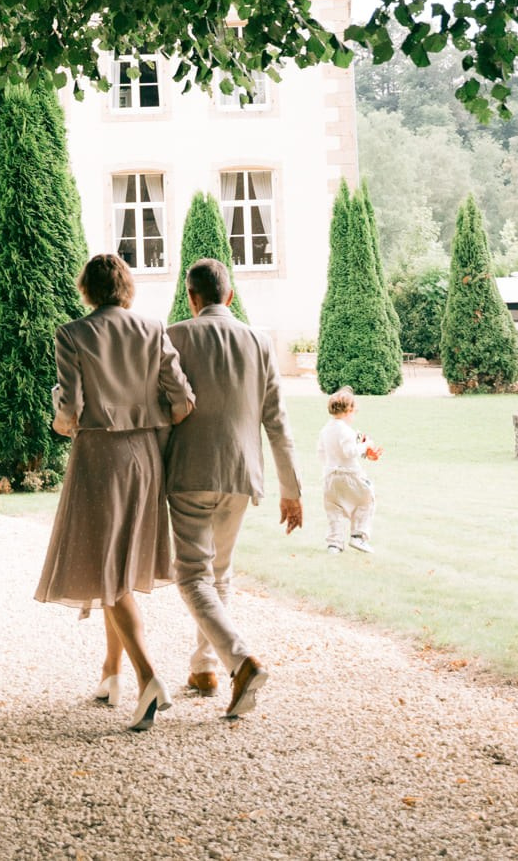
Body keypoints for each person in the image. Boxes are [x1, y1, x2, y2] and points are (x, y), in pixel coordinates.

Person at [40, 253, 194, 732]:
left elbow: (71, 405)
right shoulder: (153, 329)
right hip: (145, 455)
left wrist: (61, 423)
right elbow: (183, 399)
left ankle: (149, 677)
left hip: (99, 456)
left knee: (107, 567)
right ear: (126, 286)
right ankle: (111, 674)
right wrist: (149, 421)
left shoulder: (73, 334)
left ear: (86, 288)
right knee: (119, 564)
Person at [162, 256, 302, 720]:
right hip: (242, 474)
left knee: (191, 576)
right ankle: (205, 666)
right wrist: (291, 489)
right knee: (219, 573)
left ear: (191, 297)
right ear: (230, 295)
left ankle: (241, 662)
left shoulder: (175, 336)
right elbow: (276, 421)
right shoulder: (259, 342)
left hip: (190, 472)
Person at [317, 388, 380, 555]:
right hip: (350, 474)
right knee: (366, 500)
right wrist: (366, 446)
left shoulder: (325, 429)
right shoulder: (345, 430)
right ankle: (358, 535)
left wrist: (331, 466)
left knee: (335, 509)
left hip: (330, 476)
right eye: (354, 411)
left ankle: (334, 544)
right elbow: (350, 452)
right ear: (348, 410)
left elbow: (321, 453)